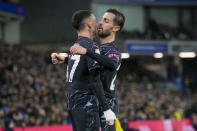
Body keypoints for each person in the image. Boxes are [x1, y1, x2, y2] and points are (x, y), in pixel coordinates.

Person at [51, 10, 116, 131]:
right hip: (87, 105)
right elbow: (95, 81)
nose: (98, 25)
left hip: (73, 105)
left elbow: (81, 64)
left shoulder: (77, 44)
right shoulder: (92, 46)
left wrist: (66, 59)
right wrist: (107, 109)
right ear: (89, 24)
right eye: (96, 22)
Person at [70, 9, 125, 131]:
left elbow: (111, 63)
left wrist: (87, 52)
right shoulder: (96, 48)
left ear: (115, 28)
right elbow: (86, 63)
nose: (100, 23)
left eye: (106, 21)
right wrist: (64, 59)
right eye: (101, 19)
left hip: (108, 102)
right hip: (94, 100)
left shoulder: (113, 51)